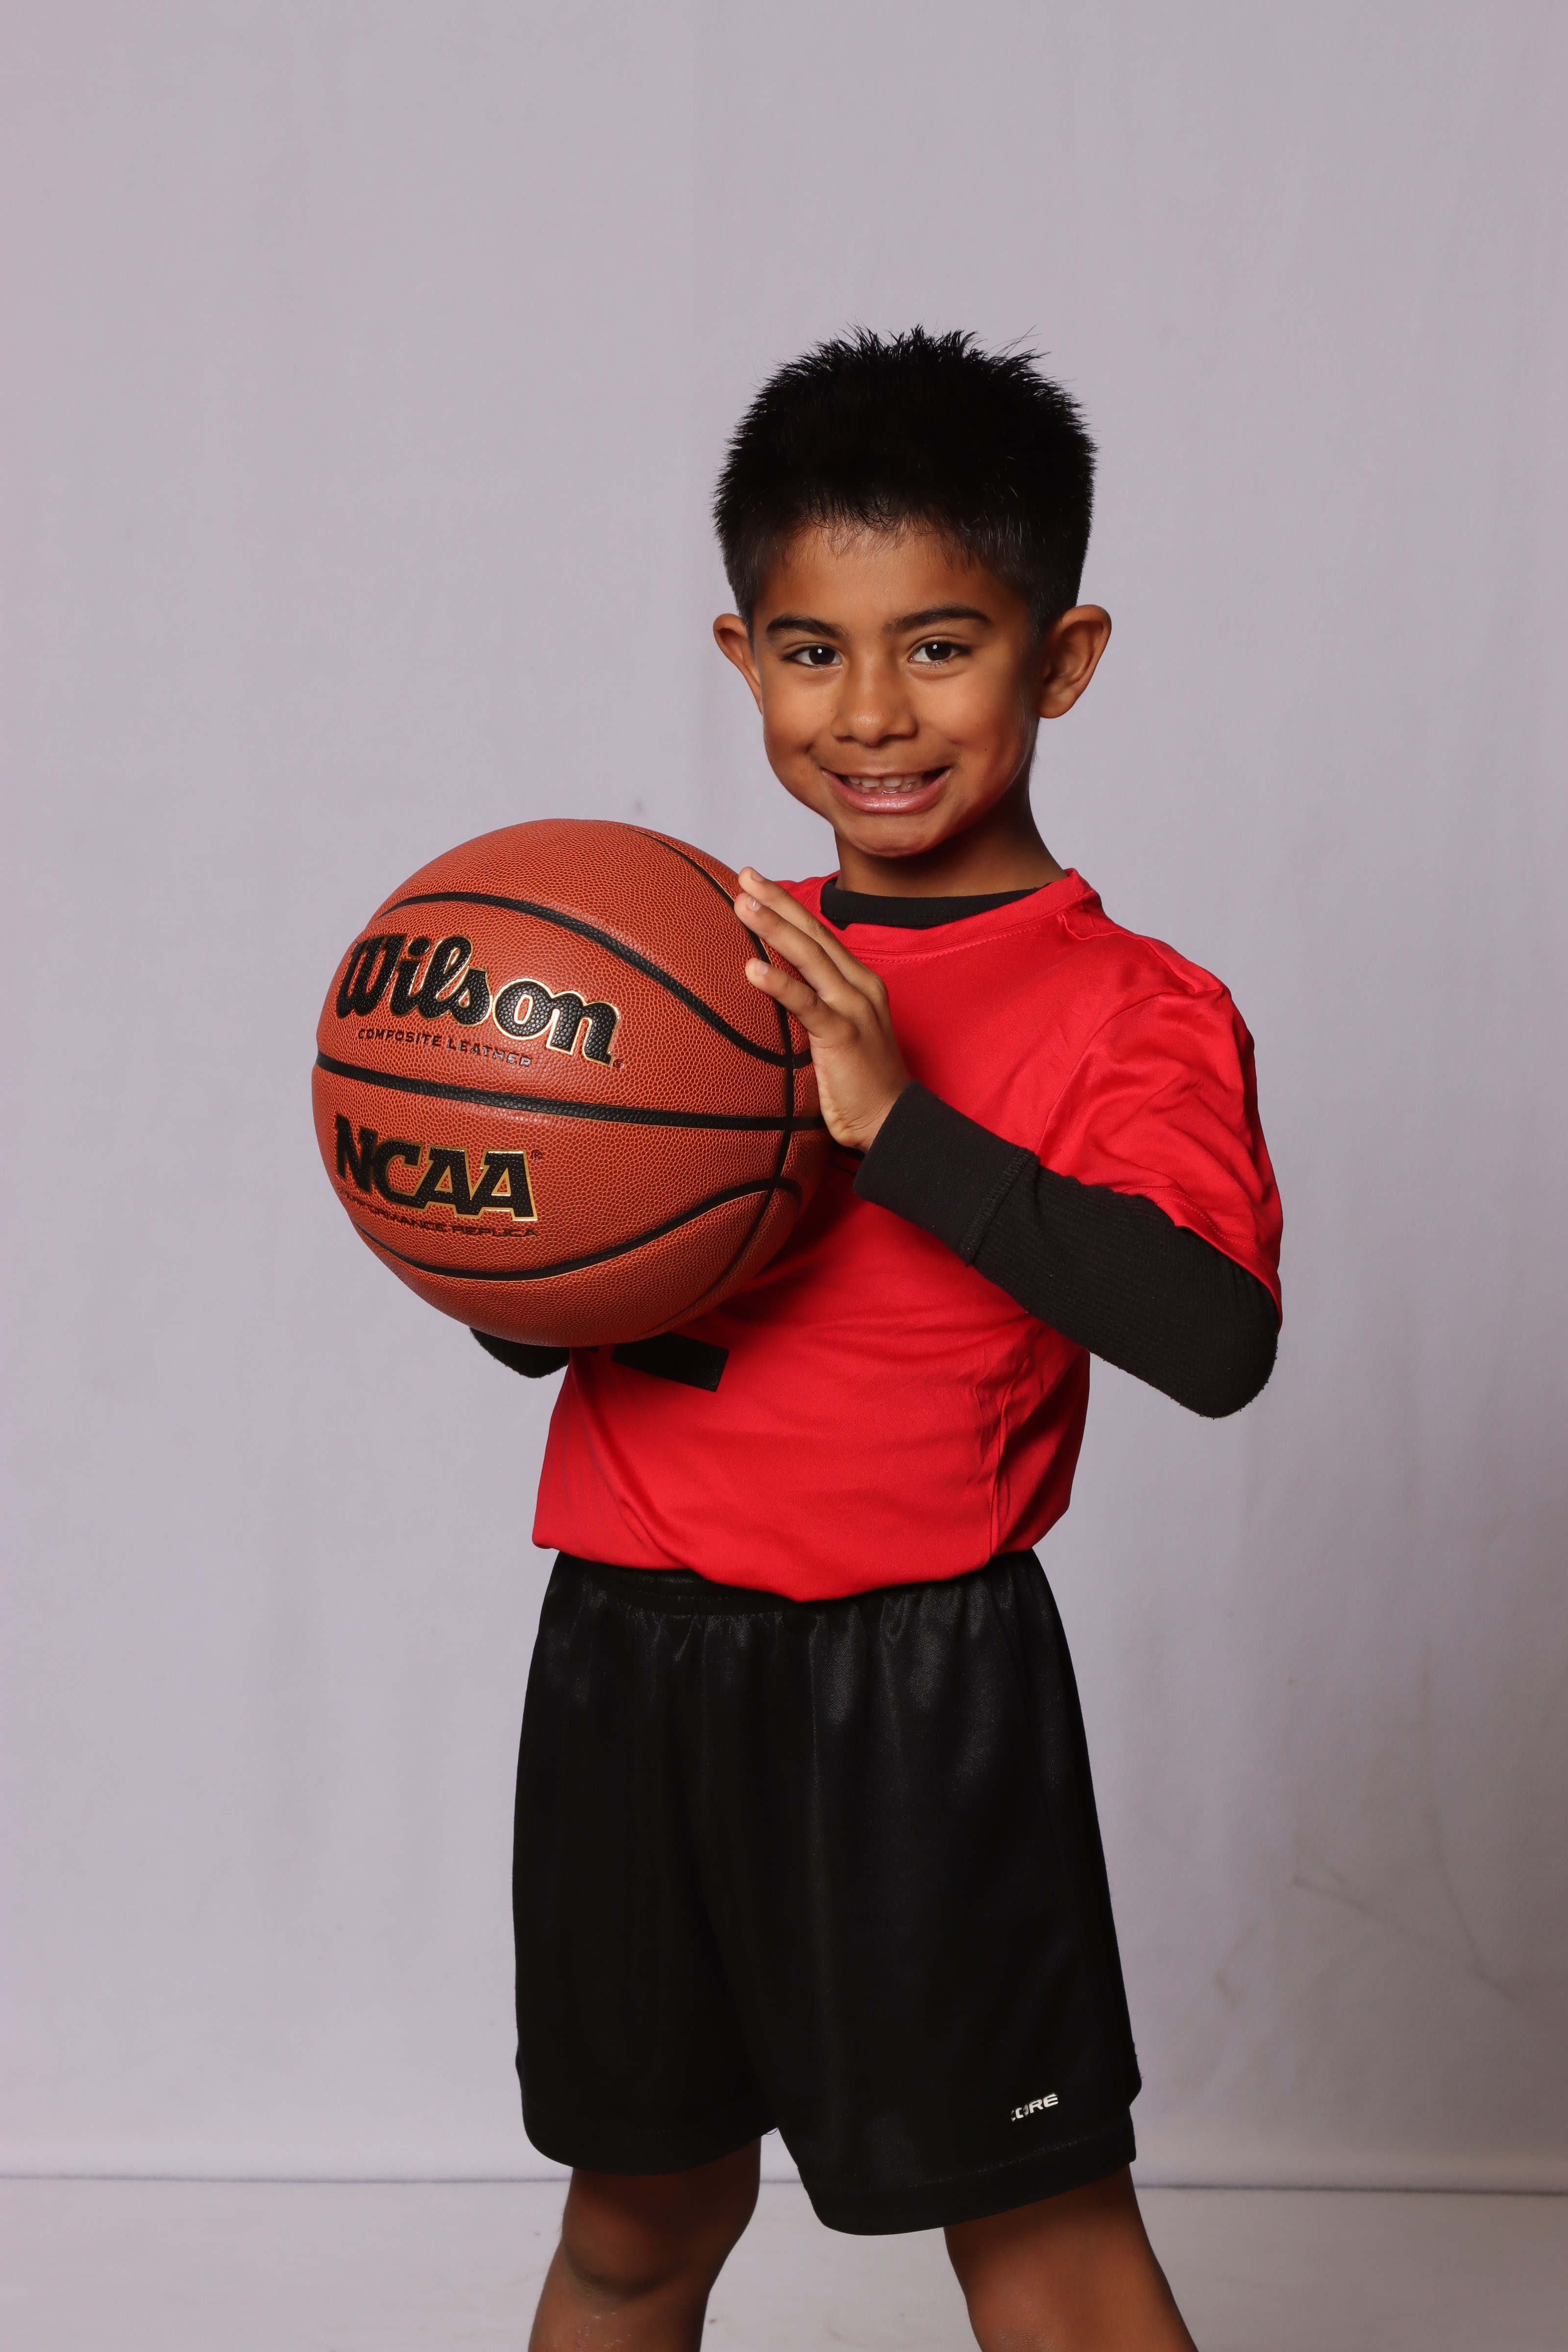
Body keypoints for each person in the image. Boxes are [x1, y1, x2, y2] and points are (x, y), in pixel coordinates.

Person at [476, 328, 1282, 2350]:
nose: (869, 713)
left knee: (1045, 2256)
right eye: (810, 651)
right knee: (634, 2227)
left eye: (939, 646)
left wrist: (897, 1129)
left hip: (912, 1686)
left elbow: (1211, 1339)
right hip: (629, 1657)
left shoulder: (1130, 1007)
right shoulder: (692, 946)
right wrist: (491, 1181)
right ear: (740, 658)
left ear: (1060, 658)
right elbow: (543, 1324)